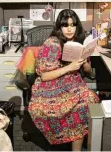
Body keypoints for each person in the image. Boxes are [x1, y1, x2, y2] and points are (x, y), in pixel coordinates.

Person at [28, 9, 99, 151]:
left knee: (88, 100)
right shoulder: (52, 43)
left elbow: (87, 71)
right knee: (51, 107)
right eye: (65, 25)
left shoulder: (80, 41)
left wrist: (84, 60)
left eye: (72, 25)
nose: (69, 29)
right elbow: (44, 76)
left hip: (72, 82)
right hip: (50, 84)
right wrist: (70, 67)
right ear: (60, 27)